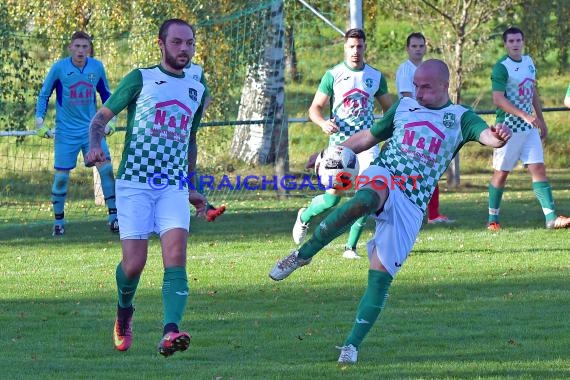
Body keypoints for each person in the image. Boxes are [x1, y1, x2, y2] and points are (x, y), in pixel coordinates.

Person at [270, 59, 513, 364]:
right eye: (416, 85)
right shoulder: (403, 107)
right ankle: (302, 255)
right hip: (385, 174)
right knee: (364, 199)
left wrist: (498, 136)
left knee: (380, 277)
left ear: (443, 85)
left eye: (426, 86)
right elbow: (367, 138)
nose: (419, 92)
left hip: (411, 204)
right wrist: (328, 154)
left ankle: (351, 346)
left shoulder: (460, 117)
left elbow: (486, 137)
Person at [86, 18, 208, 357]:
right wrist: (95, 145)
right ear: (161, 43)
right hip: (135, 184)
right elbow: (100, 120)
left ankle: (171, 331)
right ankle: (124, 313)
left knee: (176, 256)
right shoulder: (141, 78)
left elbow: (190, 139)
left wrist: (191, 185)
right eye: (177, 42)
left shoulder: (198, 86)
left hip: (172, 186)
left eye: (190, 43)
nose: (184, 49)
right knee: (134, 264)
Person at [293, 28, 392, 260]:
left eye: (359, 46)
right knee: (332, 199)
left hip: (368, 144)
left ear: (365, 47)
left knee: (365, 197)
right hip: (340, 147)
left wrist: (385, 132)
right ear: (344, 48)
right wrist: (322, 123)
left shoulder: (375, 76)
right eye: (351, 46)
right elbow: (314, 108)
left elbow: (390, 110)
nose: (355, 51)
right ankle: (305, 216)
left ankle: (350, 247)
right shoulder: (333, 75)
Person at [35, 31, 118, 236]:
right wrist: (39, 122)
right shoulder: (59, 68)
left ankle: (114, 219)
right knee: (61, 178)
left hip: (92, 132)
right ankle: (59, 223)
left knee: (106, 170)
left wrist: (112, 120)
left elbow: (107, 95)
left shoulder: (97, 67)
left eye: (85, 46)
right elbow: (44, 94)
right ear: (70, 47)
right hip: (66, 134)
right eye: (77, 46)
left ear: (89, 48)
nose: (81, 50)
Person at [487, 27, 570, 230]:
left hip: (529, 128)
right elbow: (498, 99)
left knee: (538, 168)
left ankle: (551, 219)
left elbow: (532, 91)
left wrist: (540, 119)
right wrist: (525, 115)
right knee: (501, 173)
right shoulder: (501, 67)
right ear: (505, 44)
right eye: (511, 41)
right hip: (507, 128)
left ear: (523, 42)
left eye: (518, 40)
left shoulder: (529, 63)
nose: (515, 44)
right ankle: (492, 220)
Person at [395, 32, 453, 225]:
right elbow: (407, 98)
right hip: (413, 126)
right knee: (411, 171)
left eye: (421, 46)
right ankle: (403, 210)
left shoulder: (428, 69)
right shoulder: (405, 70)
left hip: (427, 125)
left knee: (430, 167)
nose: (418, 49)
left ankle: (433, 214)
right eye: (414, 46)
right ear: (407, 48)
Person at [184, 61, 226, 222]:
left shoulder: (196, 70)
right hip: (172, 127)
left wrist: (199, 113)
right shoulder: (165, 71)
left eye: (191, 44)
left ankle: (204, 206)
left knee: (190, 166)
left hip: (189, 126)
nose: (186, 48)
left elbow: (206, 96)